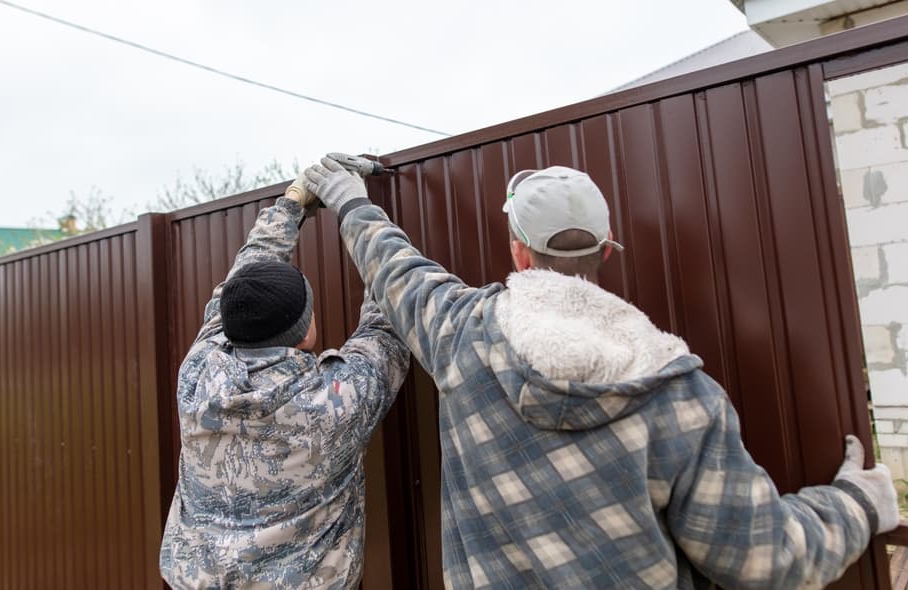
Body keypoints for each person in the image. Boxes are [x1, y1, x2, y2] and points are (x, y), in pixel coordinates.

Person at [304, 157, 899, 589]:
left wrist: (344, 192)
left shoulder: (461, 335)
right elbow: (764, 561)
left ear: (518, 252)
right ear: (607, 251)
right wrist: (861, 502)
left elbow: (391, 264)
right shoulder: (679, 392)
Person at [159, 177, 410, 589]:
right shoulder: (333, 404)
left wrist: (289, 206)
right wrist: (355, 209)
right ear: (306, 331)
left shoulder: (197, 374)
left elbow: (240, 286)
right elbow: (387, 320)